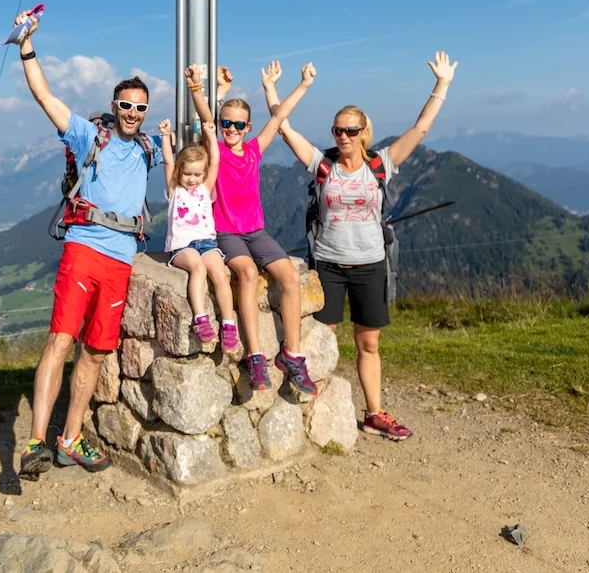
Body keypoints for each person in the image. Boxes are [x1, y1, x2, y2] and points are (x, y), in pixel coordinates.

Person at [264, 51, 458, 441]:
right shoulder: (323, 165)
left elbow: (419, 130)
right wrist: (271, 89)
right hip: (329, 266)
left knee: (368, 343)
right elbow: (282, 128)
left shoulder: (381, 164)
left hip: (371, 264)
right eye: (338, 130)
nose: (343, 137)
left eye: (351, 131)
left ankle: (374, 413)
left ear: (364, 132)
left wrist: (442, 84)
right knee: (323, 341)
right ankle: (316, 412)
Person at [12, 8, 164, 479]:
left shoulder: (149, 149)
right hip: (83, 249)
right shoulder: (86, 135)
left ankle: (70, 439)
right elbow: (44, 95)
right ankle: (37, 442)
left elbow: (210, 144)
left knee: (96, 351)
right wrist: (26, 46)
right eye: (126, 105)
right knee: (60, 340)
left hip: (121, 260)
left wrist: (208, 93)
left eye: (141, 107)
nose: (133, 113)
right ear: (114, 106)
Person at [190, 62, 319, 394]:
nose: (230, 129)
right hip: (226, 233)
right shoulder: (214, 150)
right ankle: (256, 355)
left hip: (256, 232)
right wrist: (196, 89)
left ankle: (292, 354)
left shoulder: (253, 151)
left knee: (289, 276)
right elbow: (205, 119)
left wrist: (302, 85)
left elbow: (278, 118)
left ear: (248, 127)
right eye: (225, 123)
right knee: (246, 273)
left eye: (237, 124)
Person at [157, 116, 237, 346]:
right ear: (179, 172)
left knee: (220, 273)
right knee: (198, 268)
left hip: (207, 243)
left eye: (196, 174)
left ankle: (228, 323)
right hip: (182, 246)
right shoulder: (174, 189)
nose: (192, 179)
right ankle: (201, 318)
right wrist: (165, 136)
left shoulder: (205, 188)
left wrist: (211, 135)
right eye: (187, 174)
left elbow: (214, 163)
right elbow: (167, 162)